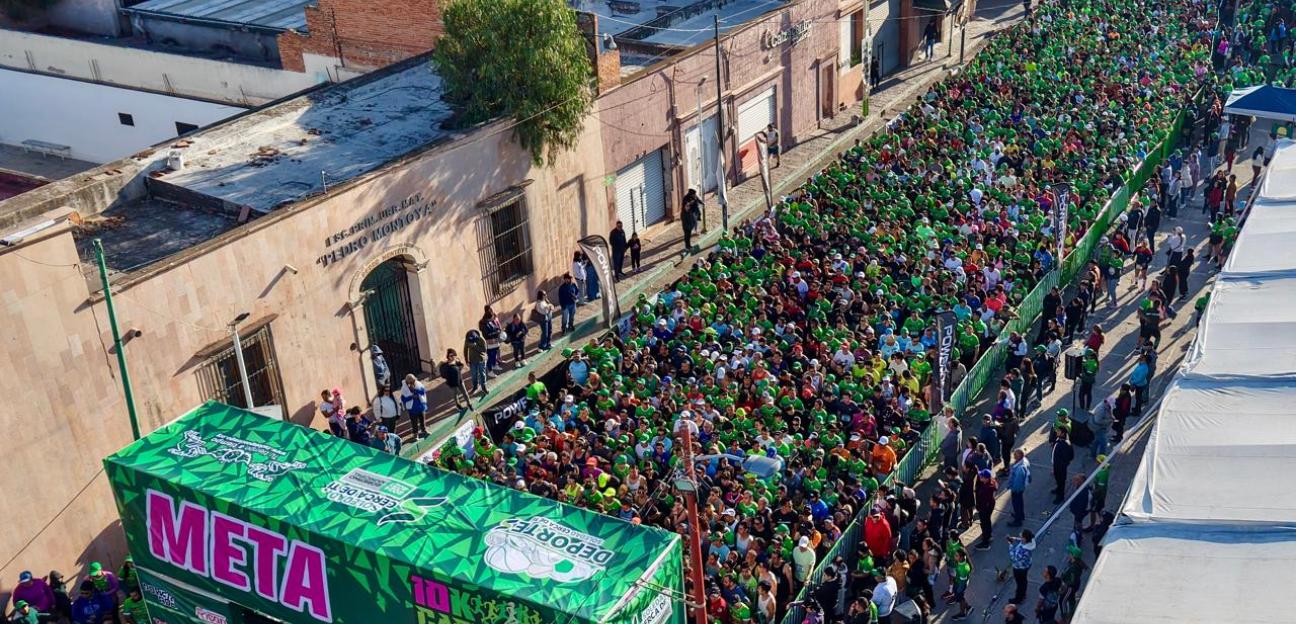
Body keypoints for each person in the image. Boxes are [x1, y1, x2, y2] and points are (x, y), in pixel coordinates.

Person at [1007, 529, 1036, 606]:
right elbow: (1022, 540)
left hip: (1019, 568)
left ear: (1025, 538)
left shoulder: (1022, 550)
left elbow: (1013, 558)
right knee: (1024, 580)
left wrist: (1010, 544)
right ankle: (1023, 593)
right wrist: (1015, 538)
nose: (1020, 535)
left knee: (1020, 583)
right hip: (1026, 565)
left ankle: (1018, 598)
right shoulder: (1030, 542)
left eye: (1021, 535)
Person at [973, 468, 998, 550]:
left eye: (982, 476)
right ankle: (988, 536)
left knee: (984, 523)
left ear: (986, 478)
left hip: (985, 507)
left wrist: (979, 507)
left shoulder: (986, 488)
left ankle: (985, 543)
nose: (980, 477)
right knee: (987, 521)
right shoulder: (991, 482)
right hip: (989, 505)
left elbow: (982, 499)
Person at [400, 373, 430, 438]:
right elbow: (403, 399)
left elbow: (423, 391)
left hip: (420, 406)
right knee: (414, 422)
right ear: (407, 381)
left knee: (422, 420)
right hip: (412, 408)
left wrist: (416, 390)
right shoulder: (404, 388)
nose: (412, 382)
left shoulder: (418, 384)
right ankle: (415, 434)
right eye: (410, 381)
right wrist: (411, 397)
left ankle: (424, 430)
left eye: (413, 381)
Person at [1007, 448, 1030, 527]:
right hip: (1019, 489)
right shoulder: (1022, 462)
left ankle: (1018, 520)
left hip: (1017, 489)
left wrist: (1013, 489)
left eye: (1015, 454)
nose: (1013, 455)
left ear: (1019, 456)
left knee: (1016, 504)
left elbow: (1018, 482)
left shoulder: (1020, 468)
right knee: (1019, 502)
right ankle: (1020, 515)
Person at [1051, 428, 1074, 505]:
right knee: (1057, 479)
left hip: (1061, 467)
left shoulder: (1066, 444)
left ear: (1063, 433)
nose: (1057, 432)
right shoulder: (1058, 440)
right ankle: (1058, 489)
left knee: (1061, 481)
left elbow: (1070, 456)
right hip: (1056, 465)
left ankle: (1060, 497)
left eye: (1059, 431)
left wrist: (1063, 464)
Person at [479, 306, 503, 375]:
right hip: (489, 342)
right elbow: (486, 334)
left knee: (494, 354)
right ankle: (490, 370)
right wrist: (496, 332)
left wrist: (497, 330)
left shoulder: (491, 320)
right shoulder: (483, 323)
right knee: (490, 355)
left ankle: (494, 365)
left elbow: (495, 327)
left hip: (495, 341)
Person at [463, 329, 488, 396]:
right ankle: (475, 386)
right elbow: (465, 350)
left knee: (482, 374)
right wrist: (466, 360)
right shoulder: (467, 340)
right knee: (474, 375)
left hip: (481, 360)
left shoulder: (481, 340)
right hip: (472, 360)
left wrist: (475, 346)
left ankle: (484, 387)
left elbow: (484, 350)